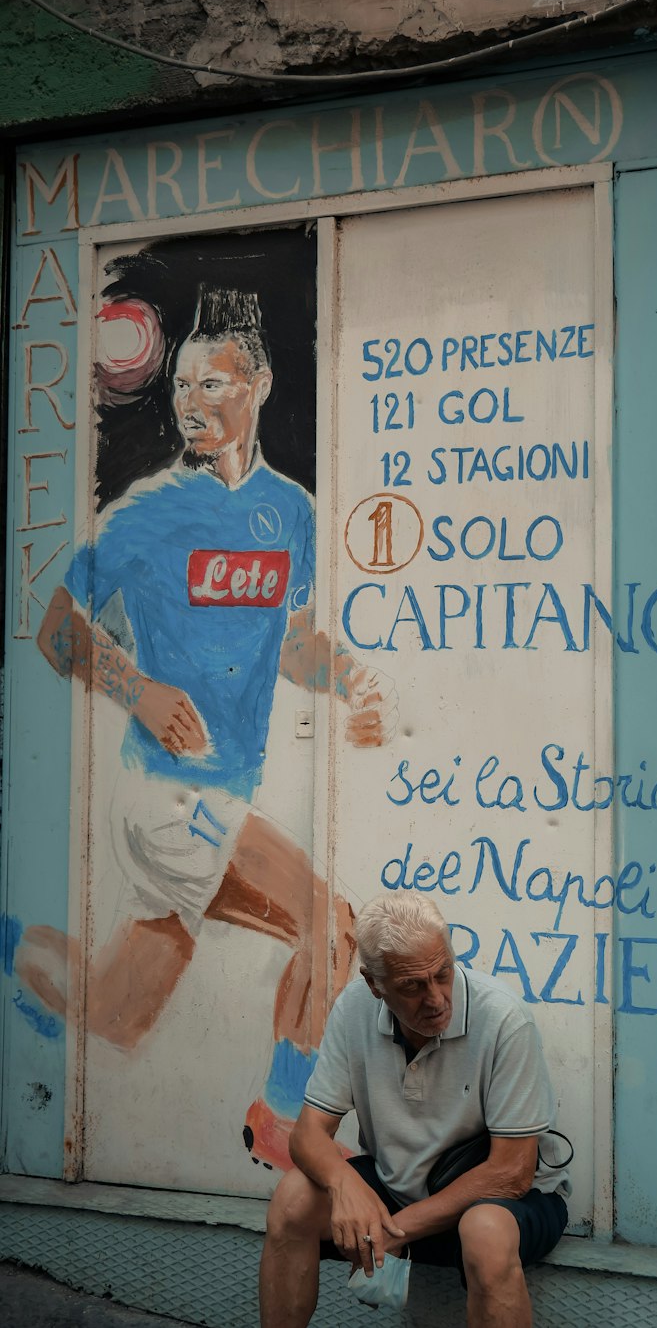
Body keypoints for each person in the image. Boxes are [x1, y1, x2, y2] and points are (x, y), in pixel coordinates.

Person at [14, 287, 397, 1170]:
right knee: (329, 921)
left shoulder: (292, 513)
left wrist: (352, 683)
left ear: (256, 384)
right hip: (166, 794)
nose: (190, 400)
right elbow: (58, 626)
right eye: (180, 384)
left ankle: (13, 947)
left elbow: (293, 646)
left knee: (114, 1010)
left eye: (211, 382)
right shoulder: (147, 510)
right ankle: (282, 1125)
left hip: (219, 796)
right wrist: (139, 688)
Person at [259, 894, 570, 1328]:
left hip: (500, 1201)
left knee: (485, 1233)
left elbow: (512, 1172)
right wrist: (344, 1183)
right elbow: (308, 1135)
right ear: (375, 985)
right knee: (292, 1199)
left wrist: (392, 1231)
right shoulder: (354, 1009)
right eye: (412, 986)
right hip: (399, 1188)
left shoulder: (503, 1020)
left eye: (442, 974)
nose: (437, 998)